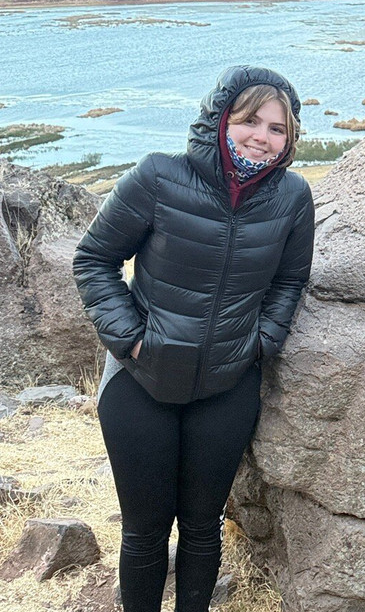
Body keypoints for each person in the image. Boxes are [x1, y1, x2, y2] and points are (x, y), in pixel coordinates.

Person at [73, 65, 315, 612]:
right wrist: (130, 339)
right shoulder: (159, 176)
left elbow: (289, 280)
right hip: (140, 382)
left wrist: (263, 342)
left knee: (203, 528)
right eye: (251, 120)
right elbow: (94, 259)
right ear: (221, 119)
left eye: (278, 128)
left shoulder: (293, 197)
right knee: (144, 530)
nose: (263, 136)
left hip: (227, 388)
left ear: (290, 139)